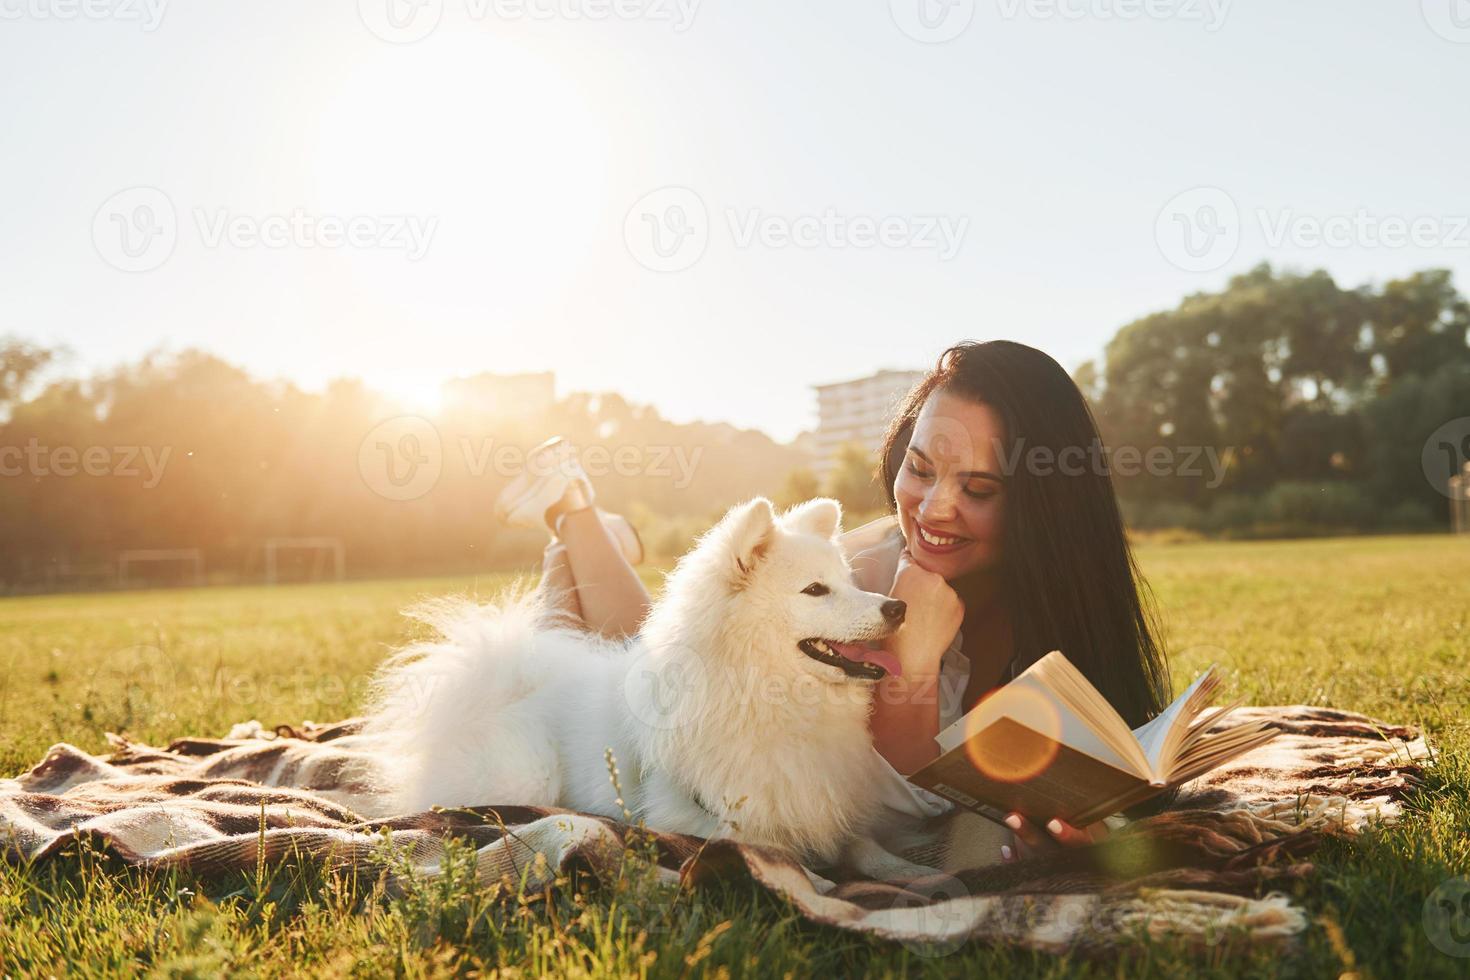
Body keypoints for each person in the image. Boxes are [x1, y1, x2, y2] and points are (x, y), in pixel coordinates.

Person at [495, 340, 1172, 862]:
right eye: (921, 468)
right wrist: (915, 658)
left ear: (1043, 505)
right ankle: (579, 520)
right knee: (634, 650)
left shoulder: (1068, 604)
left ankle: (595, 531)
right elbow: (887, 809)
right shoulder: (869, 583)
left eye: (980, 490)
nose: (934, 509)